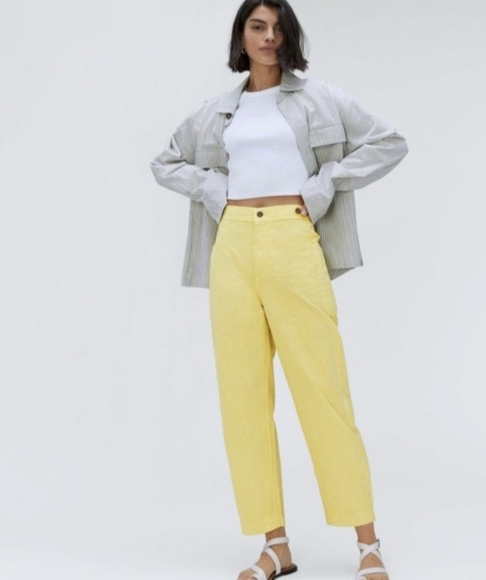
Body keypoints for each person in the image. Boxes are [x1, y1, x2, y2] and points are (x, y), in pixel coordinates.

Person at [150, 1, 409, 578]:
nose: (268, 37)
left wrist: (324, 185)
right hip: (233, 245)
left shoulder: (320, 98)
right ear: (241, 36)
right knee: (243, 399)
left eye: (277, 28)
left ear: (289, 36)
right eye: (257, 26)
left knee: (324, 390)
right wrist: (214, 190)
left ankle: (367, 543)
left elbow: (389, 142)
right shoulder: (218, 111)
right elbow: (164, 162)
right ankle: (275, 545)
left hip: (294, 239)